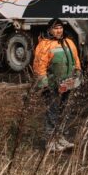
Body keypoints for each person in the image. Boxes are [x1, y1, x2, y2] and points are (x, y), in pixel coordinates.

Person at [32, 18, 82, 151]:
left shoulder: (69, 42)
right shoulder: (44, 45)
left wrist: (77, 73)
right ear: (50, 30)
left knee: (65, 111)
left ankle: (60, 137)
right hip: (52, 84)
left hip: (67, 83)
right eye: (56, 28)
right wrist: (44, 84)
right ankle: (50, 140)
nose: (59, 30)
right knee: (52, 111)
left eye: (60, 27)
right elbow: (39, 67)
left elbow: (76, 59)